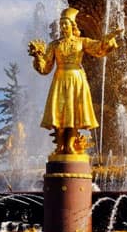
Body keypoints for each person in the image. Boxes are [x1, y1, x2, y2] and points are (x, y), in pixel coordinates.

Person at [28, 8, 120, 155]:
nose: (63, 27)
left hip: (76, 79)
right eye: (61, 24)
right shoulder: (54, 45)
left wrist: (108, 40)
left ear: (72, 25)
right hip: (60, 79)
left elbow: (98, 49)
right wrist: (38, 55)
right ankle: (60, 146)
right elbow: (45, 68)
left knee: (73, 114)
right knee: (59, 114)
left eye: (66, 24)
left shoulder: (81, 42)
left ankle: (70, 145)